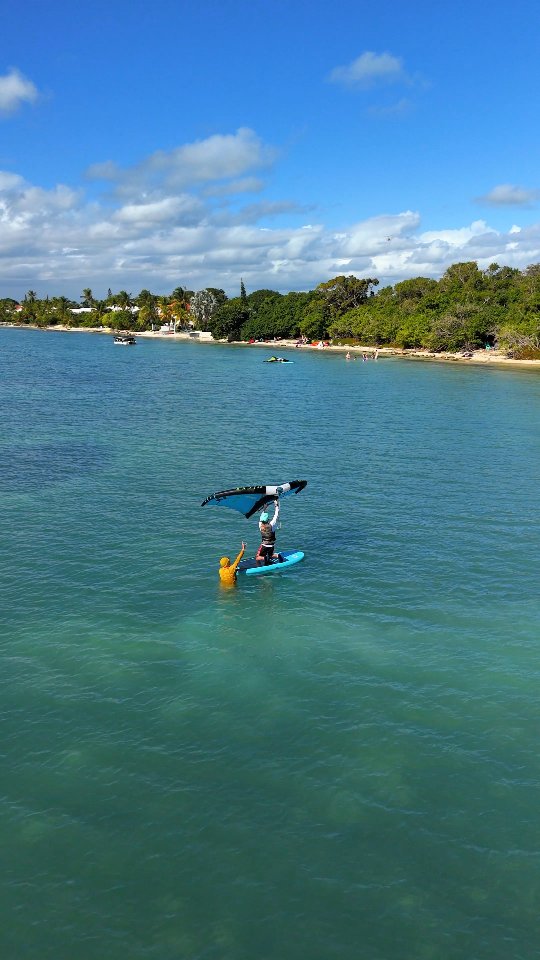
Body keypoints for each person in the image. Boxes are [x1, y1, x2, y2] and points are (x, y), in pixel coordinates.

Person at [256, 499, 281, 565]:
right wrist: (276, 505)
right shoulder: (272, 524)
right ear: (268, 519)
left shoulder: (260, 525)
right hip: (272, 544)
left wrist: (264, 507)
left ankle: (264, 559)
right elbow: (276, 515)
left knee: (257, 557)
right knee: (271, 555)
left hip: (264, 545)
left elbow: (261, 517)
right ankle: (278, 556)